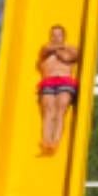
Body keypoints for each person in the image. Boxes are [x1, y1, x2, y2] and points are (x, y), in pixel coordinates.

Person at [37, 24, 80, 153]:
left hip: (65, 80)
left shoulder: (70, 49)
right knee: (48, 112)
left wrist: (61, 48)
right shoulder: (45, 48)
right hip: (48, 80)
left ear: (63, 36)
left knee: (60, 110)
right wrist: (59, 47)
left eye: (59, 35)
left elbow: (69, 57)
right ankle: (46, 141)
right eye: (53, 35)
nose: (56, 37)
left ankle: (55, 141)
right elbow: (44, 51)